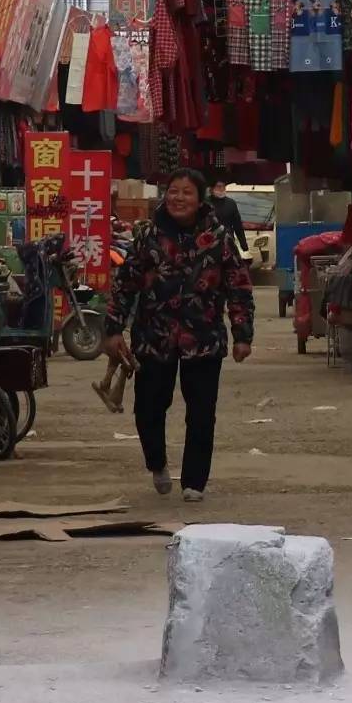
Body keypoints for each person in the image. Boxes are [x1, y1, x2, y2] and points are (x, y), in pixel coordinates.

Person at [104, 169, 255, 502]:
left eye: (186, 193)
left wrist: (243, 334)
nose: (178, 198)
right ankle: (156, 463)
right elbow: (125, 284)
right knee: (148, 408)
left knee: (201, 411)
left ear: (200, 199)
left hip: (203, 338)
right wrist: (113, 329)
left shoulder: (218, 238)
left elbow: (239, 288)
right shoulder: (147, 236)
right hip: (153, 337)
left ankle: (194, 482)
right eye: (173, 191)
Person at [209, 180, 249, 254]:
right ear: (211, 189)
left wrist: (244, 245)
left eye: (223, 187)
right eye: (219, 187)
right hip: (209, 243)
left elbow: (238, 226)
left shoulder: (231, 203)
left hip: (228, 242)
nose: (221, 189)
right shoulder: (206, 203)